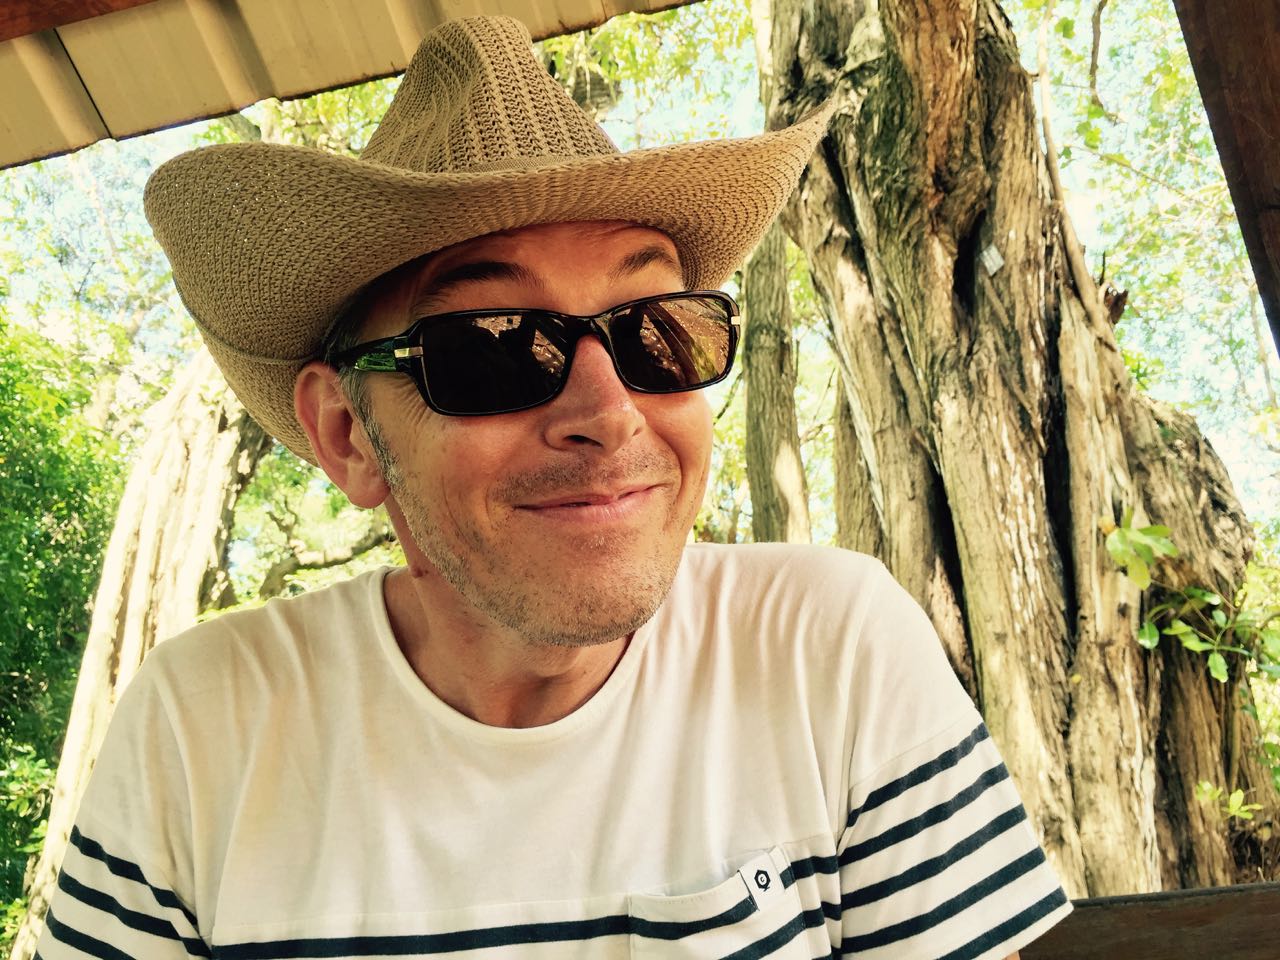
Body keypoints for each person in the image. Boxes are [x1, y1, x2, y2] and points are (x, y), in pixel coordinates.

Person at [37, 15, 1071, 960]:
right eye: (495, 346)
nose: (610, 410)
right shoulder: (203, 727)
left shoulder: (824, 651)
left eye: (657, 330)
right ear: (348, 434)